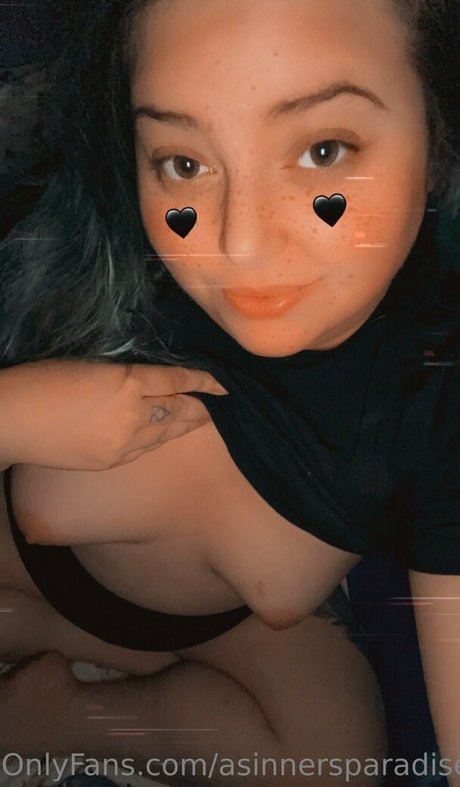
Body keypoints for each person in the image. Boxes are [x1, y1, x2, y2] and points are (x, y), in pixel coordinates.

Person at [0, 0, 459, 785]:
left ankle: (65, 716)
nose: (237, 244)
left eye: (321, 150)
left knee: (333, 762)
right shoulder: (107, 252)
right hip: (13, 574)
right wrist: (17, 412)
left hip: (221, 638)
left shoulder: (439, 399)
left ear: (438, 133)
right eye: (183, 162)